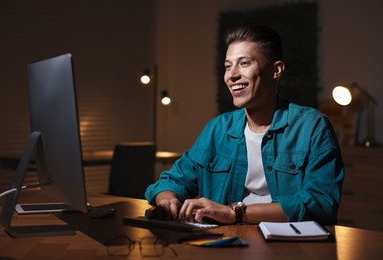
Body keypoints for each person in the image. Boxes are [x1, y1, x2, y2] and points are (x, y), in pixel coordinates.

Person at [145, 23, 344, 226]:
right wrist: (167, 200)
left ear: (276, 70)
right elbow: (172, 180)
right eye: (228, 66)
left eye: (244, 63)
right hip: (224, 243)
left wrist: (235, 213)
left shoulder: (312, 127)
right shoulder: (217, 129)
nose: (232, 75)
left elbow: (321, 203)